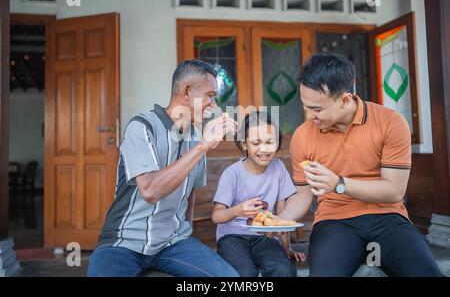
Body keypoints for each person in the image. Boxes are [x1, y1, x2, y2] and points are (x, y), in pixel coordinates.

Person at [278, 53, 442, 277]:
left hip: (388, 218)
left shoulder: (391, 122)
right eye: (305, 106)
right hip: (334, 222)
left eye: (317, 109)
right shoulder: (302, 136)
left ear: (345, 99)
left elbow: (394, 191)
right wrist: (280, 221)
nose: (309, 115)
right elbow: (303, 194)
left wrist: (339, 184)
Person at [87, 59, 239, 277]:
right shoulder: (141, 126)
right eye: (210, 96)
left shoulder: (197, 137)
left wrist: (185, 232)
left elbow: (190, 194)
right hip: (123, 242)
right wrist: (204, 146)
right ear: (187, 92)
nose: (213, 106)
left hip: (173, 243)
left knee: (230, 280)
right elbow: (150, 191)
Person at [211, 111, 306, 277]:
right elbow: (217, 216)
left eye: (270, 142)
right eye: (256, 142)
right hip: (232, 236)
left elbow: (280, 214)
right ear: (244, 144)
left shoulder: (278, 168)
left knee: (284, 270)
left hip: (264, 237)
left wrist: (286, 248)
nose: (264, 149)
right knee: (244, 273)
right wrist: (238, 210)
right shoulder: (232, 174)